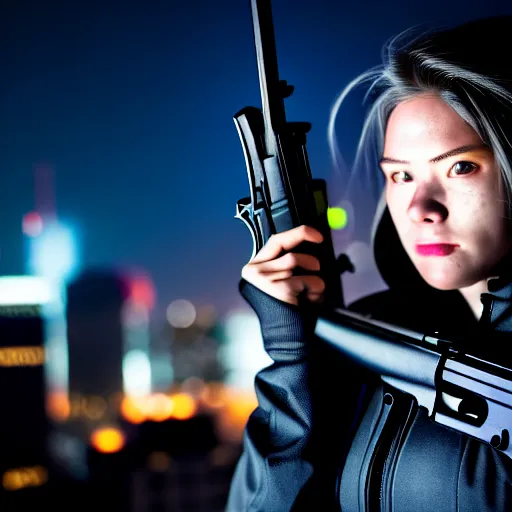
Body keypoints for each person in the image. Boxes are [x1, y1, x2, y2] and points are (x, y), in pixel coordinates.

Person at [226, 15, 512, 512]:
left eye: (460, 167)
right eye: (400, 176)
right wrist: (292, 365)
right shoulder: (370, 342)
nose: (422, 207)